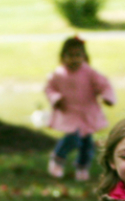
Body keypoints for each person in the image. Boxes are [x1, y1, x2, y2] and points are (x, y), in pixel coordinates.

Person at [44, 36, 116, 182]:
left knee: (87, 144)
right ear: (63, 57)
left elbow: (104, 85)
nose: (74, 59)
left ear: (84, 57)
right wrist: (56, 99)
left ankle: (82, 167)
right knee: (72, 138)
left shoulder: (89, 73)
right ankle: (57, 159)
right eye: (70, 55)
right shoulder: (58, 74)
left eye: (78, 55)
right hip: (69, 113)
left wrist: (107, 97)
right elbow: (49, 88)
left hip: (86, 113)